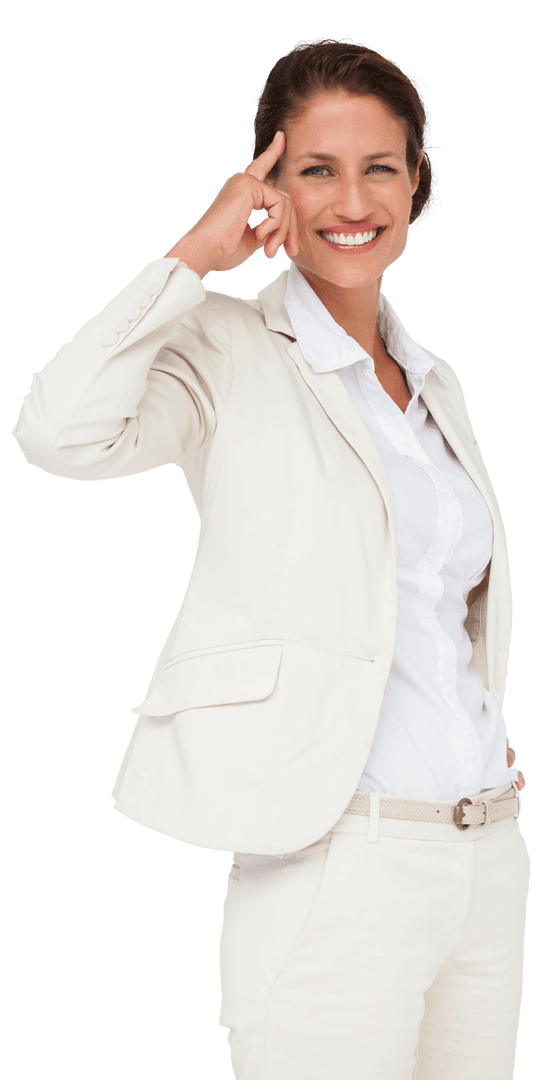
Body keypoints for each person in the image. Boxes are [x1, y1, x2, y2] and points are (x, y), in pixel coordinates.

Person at [12, 35, 530, 1080]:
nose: (351, 199)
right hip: (336, 864)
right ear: (266, 185)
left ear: (415, 178)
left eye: (378, 166)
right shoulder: (225, 349)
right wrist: (191, 255)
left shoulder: (432, 379)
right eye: (314, 169)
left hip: (483, 860)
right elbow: (57, 434)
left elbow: (433, 608)